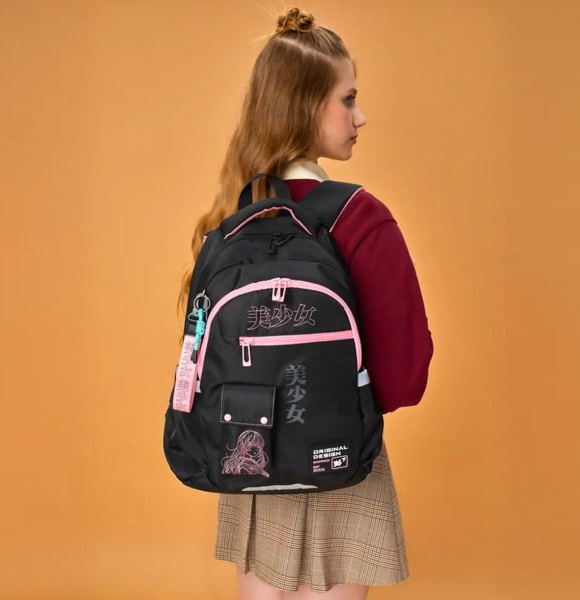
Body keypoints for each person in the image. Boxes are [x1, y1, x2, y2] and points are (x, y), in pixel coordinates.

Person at [178, 7, 434, 599]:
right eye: (348, 99)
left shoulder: (233, 218)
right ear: (306, 106)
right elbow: (404, 379)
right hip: (342, 463)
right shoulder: (361, 218)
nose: (360, 117)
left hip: (248, 459)